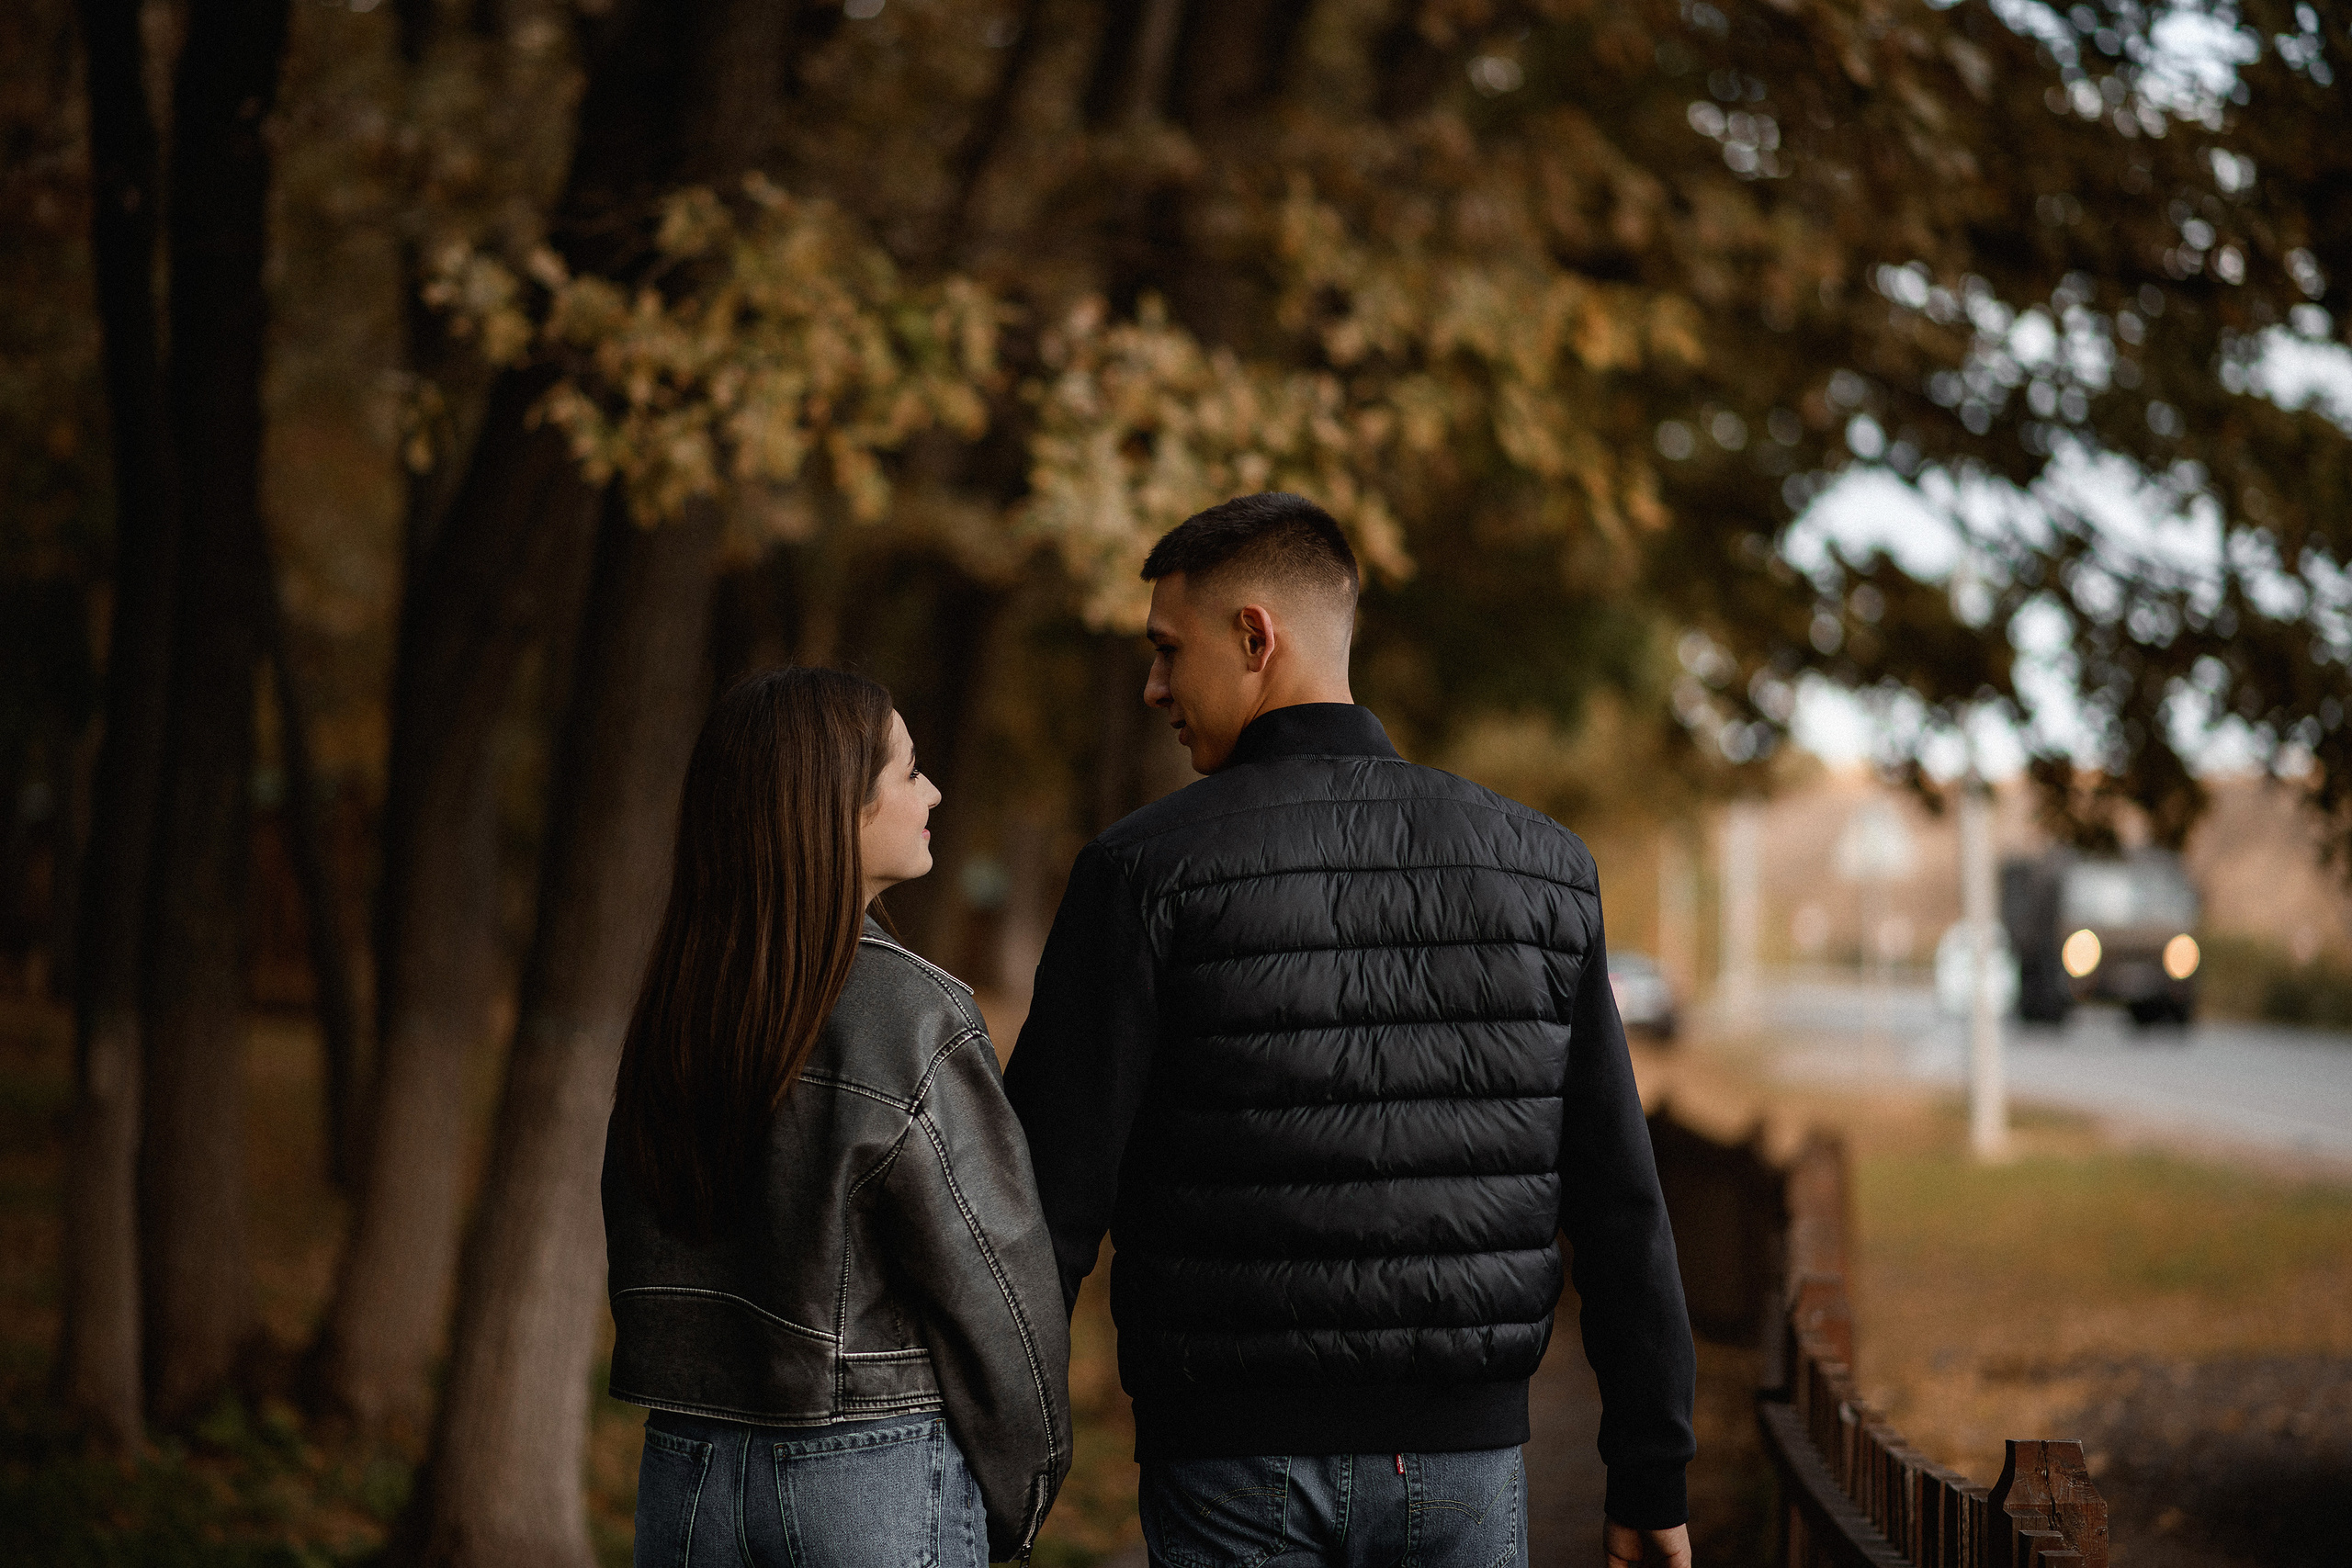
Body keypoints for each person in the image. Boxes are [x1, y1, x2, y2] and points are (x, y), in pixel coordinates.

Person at [1003, 493, 1697, 1568]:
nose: (1152, 689)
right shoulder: (1543, 869)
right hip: (1465, 1467)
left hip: (1228, 1464)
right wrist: (1650, 1472)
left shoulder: (1142, 872)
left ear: (1253, 636)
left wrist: (1002, 1462)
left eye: (1164, 651)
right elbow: (1618, 1199)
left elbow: (1043, 1209)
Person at [603, 667, 1070, 1568]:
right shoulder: (911, 1013)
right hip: (872, 1473)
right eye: (906, 772)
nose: (931, 791)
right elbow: (998, 1287)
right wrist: (1026, 1488)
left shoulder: (673, 1010)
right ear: (834, 809)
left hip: (685, 1472)